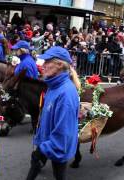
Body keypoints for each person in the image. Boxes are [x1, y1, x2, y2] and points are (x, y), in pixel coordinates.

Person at [26, 46, 80, 180]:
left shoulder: (65, 93)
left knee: (59, 175)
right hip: (48, 142)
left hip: (55, 146)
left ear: (59, 65)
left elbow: (62, 134)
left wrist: (41, 150)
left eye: (47, 62)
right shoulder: (53, 85)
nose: (42, 65)